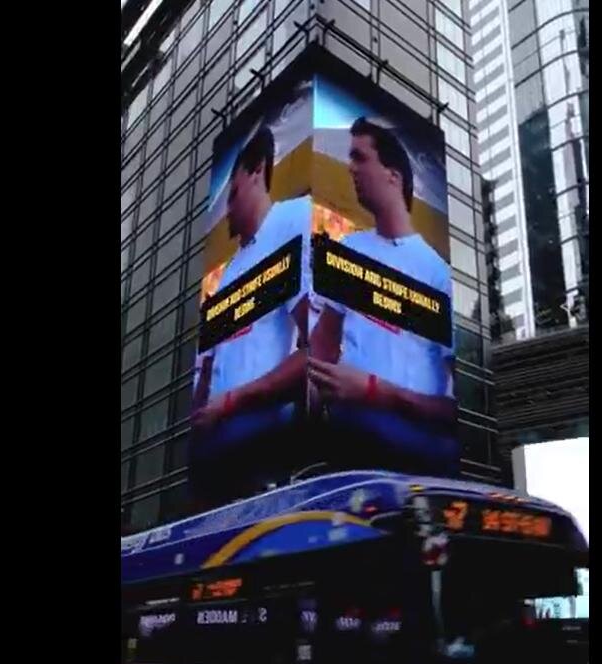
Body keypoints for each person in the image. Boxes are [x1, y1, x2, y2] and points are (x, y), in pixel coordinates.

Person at [308, 117, 457, 445]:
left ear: (393, 176)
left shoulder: (438, 275)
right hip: (341, 449)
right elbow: (323, 343)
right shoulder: (348, 250)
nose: (350, 168)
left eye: (359, 157)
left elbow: (454, 408)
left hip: (412, 460)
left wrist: (376, 392)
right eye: (349, 158)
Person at [192, 126, 312, 435]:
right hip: (218, 456)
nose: (227, 211)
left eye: (231, 196)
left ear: (258, 170)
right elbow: (207, 366)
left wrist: (232, 402)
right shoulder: (229, 271)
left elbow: (317, 349)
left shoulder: (295, 219)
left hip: (267, 452)